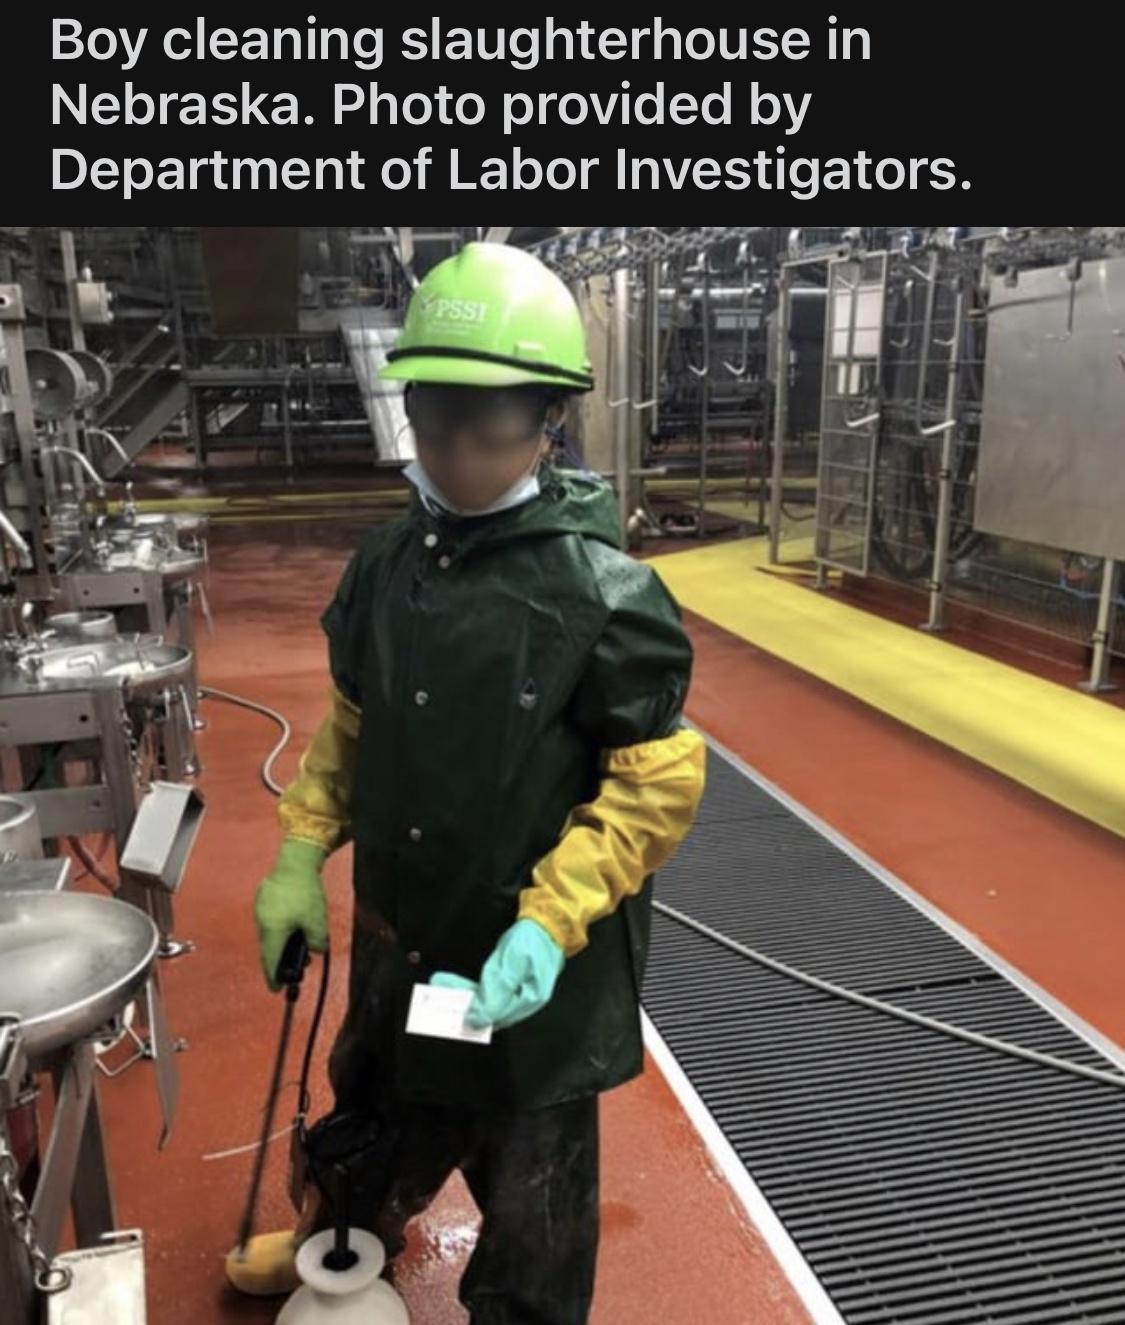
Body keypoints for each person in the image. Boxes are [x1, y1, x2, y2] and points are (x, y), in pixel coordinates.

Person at [227, 241, 706, 1323]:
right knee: (380, 1099)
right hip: (406, 926)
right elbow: (354, 725)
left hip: (533, 957)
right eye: (433, 421)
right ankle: (338, 1242)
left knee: (532, 1183)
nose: (453, 455)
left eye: (485, 429)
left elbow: (653, 781)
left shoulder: (605, 591)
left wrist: (548, 921)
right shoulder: (388, 564)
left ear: (547, 423)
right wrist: (302, 852)